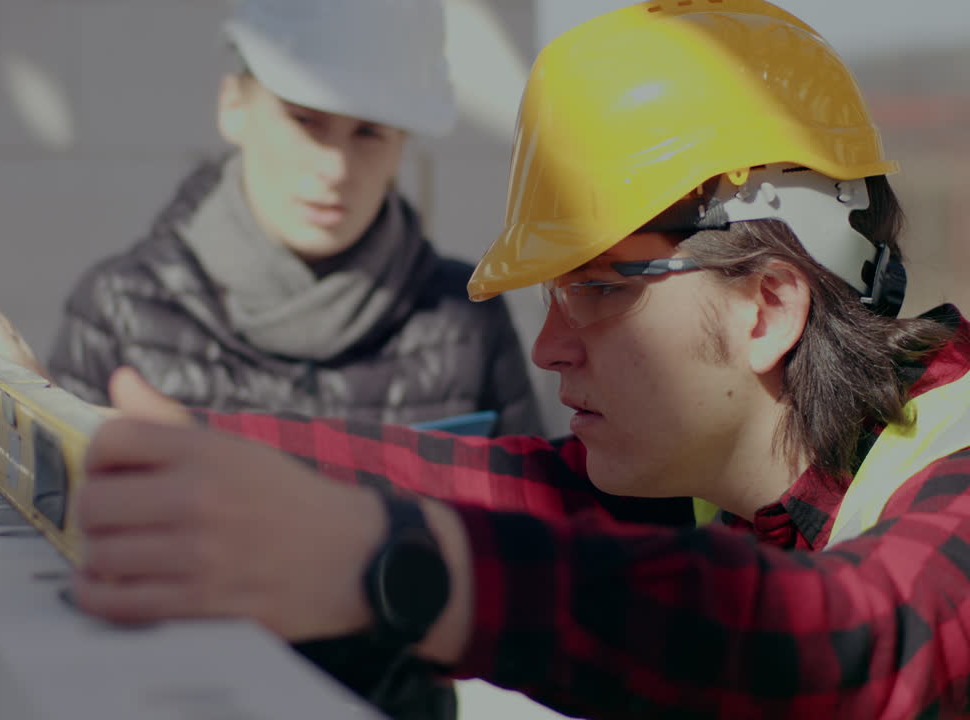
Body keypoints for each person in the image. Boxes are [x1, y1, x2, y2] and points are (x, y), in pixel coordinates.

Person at [47, 1, 970, 717]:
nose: (546, 348)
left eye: (600, 289)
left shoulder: (955, 465)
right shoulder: (725, 480)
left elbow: (860, 644)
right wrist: (100, 425)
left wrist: (402, 568)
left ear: (767, 308)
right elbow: (474, 482)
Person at [0, 0, 541, 439]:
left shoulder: (465, 318)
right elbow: (68, 532)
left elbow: (528, 542)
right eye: (305, 120)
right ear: (234, 107)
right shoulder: (118, 311)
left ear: (404, 143)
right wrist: (33, 408)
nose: (334, 167)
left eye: (369, 133)